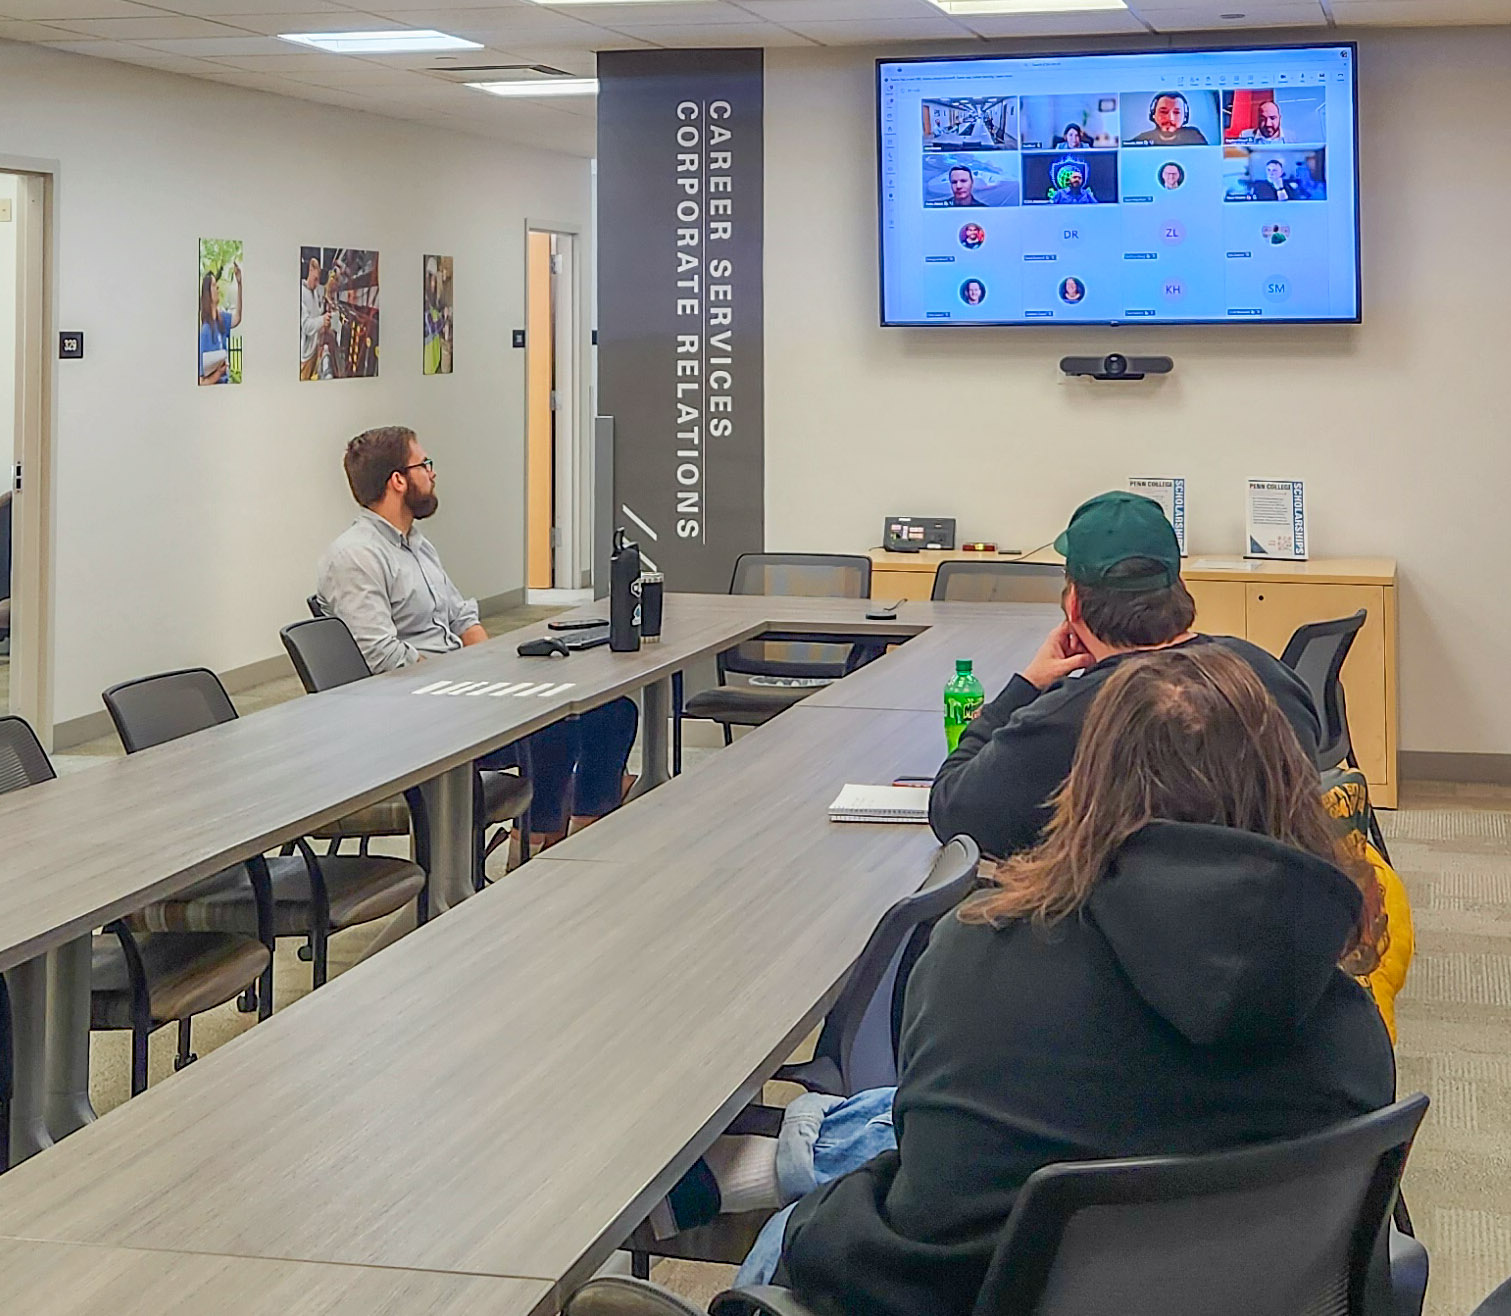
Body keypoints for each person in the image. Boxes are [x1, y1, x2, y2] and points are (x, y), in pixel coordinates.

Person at [762, 645, 1394, 1316]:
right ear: (1288, 781)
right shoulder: (1349, 1032)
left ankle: (790, 1147)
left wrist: (821, 1222)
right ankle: (804, 1139)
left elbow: (927, 1235)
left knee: (800, 1215)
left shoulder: (974, 962)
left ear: (1089, 784)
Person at [929, 491, 1321, 859]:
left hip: (1126, 929)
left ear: (1074, 606)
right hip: (1273, 918)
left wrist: (1026, 687)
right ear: (1178, 589)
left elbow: (954, 811)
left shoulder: (1068, 718)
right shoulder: (1270, 676)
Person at [316, 426, 638, 846]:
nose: (432, 474)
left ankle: (577, 835)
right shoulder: (356, 556)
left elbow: (460, 613)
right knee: (553, 727)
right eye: (424, 465)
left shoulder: (416, 543)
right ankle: (536, 848)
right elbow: (381, 656)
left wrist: (494, 667)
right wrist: (467, 676)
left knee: (610, 712)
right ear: (398, 480)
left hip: (458, 690)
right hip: (412, 714)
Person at [198, 262, 242, 385]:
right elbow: (201, 381)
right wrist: (218, 373)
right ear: (208, 293)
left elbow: (237, 318)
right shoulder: (205, 331)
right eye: (213, 285)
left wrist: (239, 284)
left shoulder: (221, 319)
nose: (217, 288)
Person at [1132, 92, 1208, 146]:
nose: (1170, 118)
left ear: (1185, 117)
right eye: (1163, 112)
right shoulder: (1142, 139)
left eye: (1176, 113)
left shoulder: (1194, 136)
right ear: (1153, 114)